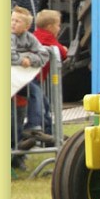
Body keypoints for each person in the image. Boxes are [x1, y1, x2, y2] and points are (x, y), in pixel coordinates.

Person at [11, 6, 53, 150]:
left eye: (17, 21)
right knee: (11, 113)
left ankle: (33, 127)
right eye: (12, 20)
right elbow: (10, 55)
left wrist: (29, 58)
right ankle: (14, 143)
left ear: (27, 27)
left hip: (20, 81)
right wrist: (23, 59)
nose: (13, 23)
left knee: (36, 93)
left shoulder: (29, 38)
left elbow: (44, 54)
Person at [33, 9, 68, 139]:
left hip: (35, 78)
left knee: (43, 104)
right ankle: (46, 134)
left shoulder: (36, 34)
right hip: (33, 78)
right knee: (42, 105)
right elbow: (61, 53)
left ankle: (48, 133)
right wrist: (63, 49)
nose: (59, 28)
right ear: (49, 27)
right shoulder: (46, 37)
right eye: (58, 25)